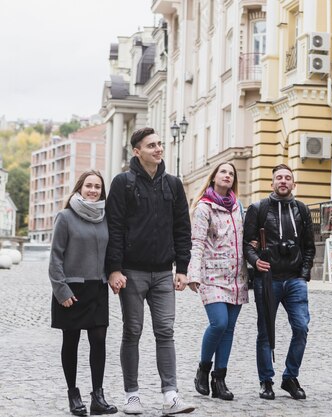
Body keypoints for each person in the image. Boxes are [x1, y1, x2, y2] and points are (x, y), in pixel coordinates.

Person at [105, 127, 194, 415]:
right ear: (136, 151)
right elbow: (114, 228)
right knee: (132, 331)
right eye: (151, 145)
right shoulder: (123, 183)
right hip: (131, 272)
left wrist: (182, 268)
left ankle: (171, 395)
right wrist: (114, 269)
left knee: (165, 332)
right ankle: (132, 396)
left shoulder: (173, 184)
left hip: (163, 273)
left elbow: (182, 228)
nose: (158, 149)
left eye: (160, 144)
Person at [243, 163, 315, 401]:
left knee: (301, 328)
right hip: (268, 279)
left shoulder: (302, 210)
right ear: (272, 183)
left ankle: (290, 377)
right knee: (265, 332)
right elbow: (246, 244)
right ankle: (266, 380)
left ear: (294, 183)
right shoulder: (259, 208)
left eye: (287, 178)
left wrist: (303, 274)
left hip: (294, 280)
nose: (283, 181)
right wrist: (255, 261)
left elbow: (309, 247)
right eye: (279, 178)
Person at [48, 170, 117, 416]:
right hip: (71, 289)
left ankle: (98, 396)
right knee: (72, 342)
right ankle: (73, 394)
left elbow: (111, 253)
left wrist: (114, 274)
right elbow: (55, 257)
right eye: (89, 185)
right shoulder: (65, 217)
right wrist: (61, 290)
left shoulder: (106, 217)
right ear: (79, 188)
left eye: (97, 187)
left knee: (98, 341)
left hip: (97, 288)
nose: (93, 190)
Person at [188, 162, 249, 401]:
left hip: (236, 276)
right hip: (212, 275)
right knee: (219, 323)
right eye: (223, 172)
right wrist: (193, 274)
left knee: (229, 329)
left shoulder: (238, 206)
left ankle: (219, 378)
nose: (227, 176)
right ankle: (203, 369)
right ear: (214, 177)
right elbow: (197, 242)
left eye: (231, 173)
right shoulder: (205, 207)